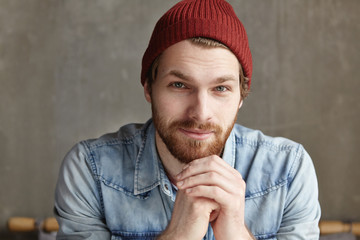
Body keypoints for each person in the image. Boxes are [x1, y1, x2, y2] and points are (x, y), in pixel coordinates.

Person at [54, 0, 321, 239]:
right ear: (148, 87)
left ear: (242, 95)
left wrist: (236, 234)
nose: (200, 113)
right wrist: (180, 234)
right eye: (179, 85)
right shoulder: (90, 170)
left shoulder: (288, 171)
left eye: (221, 88)